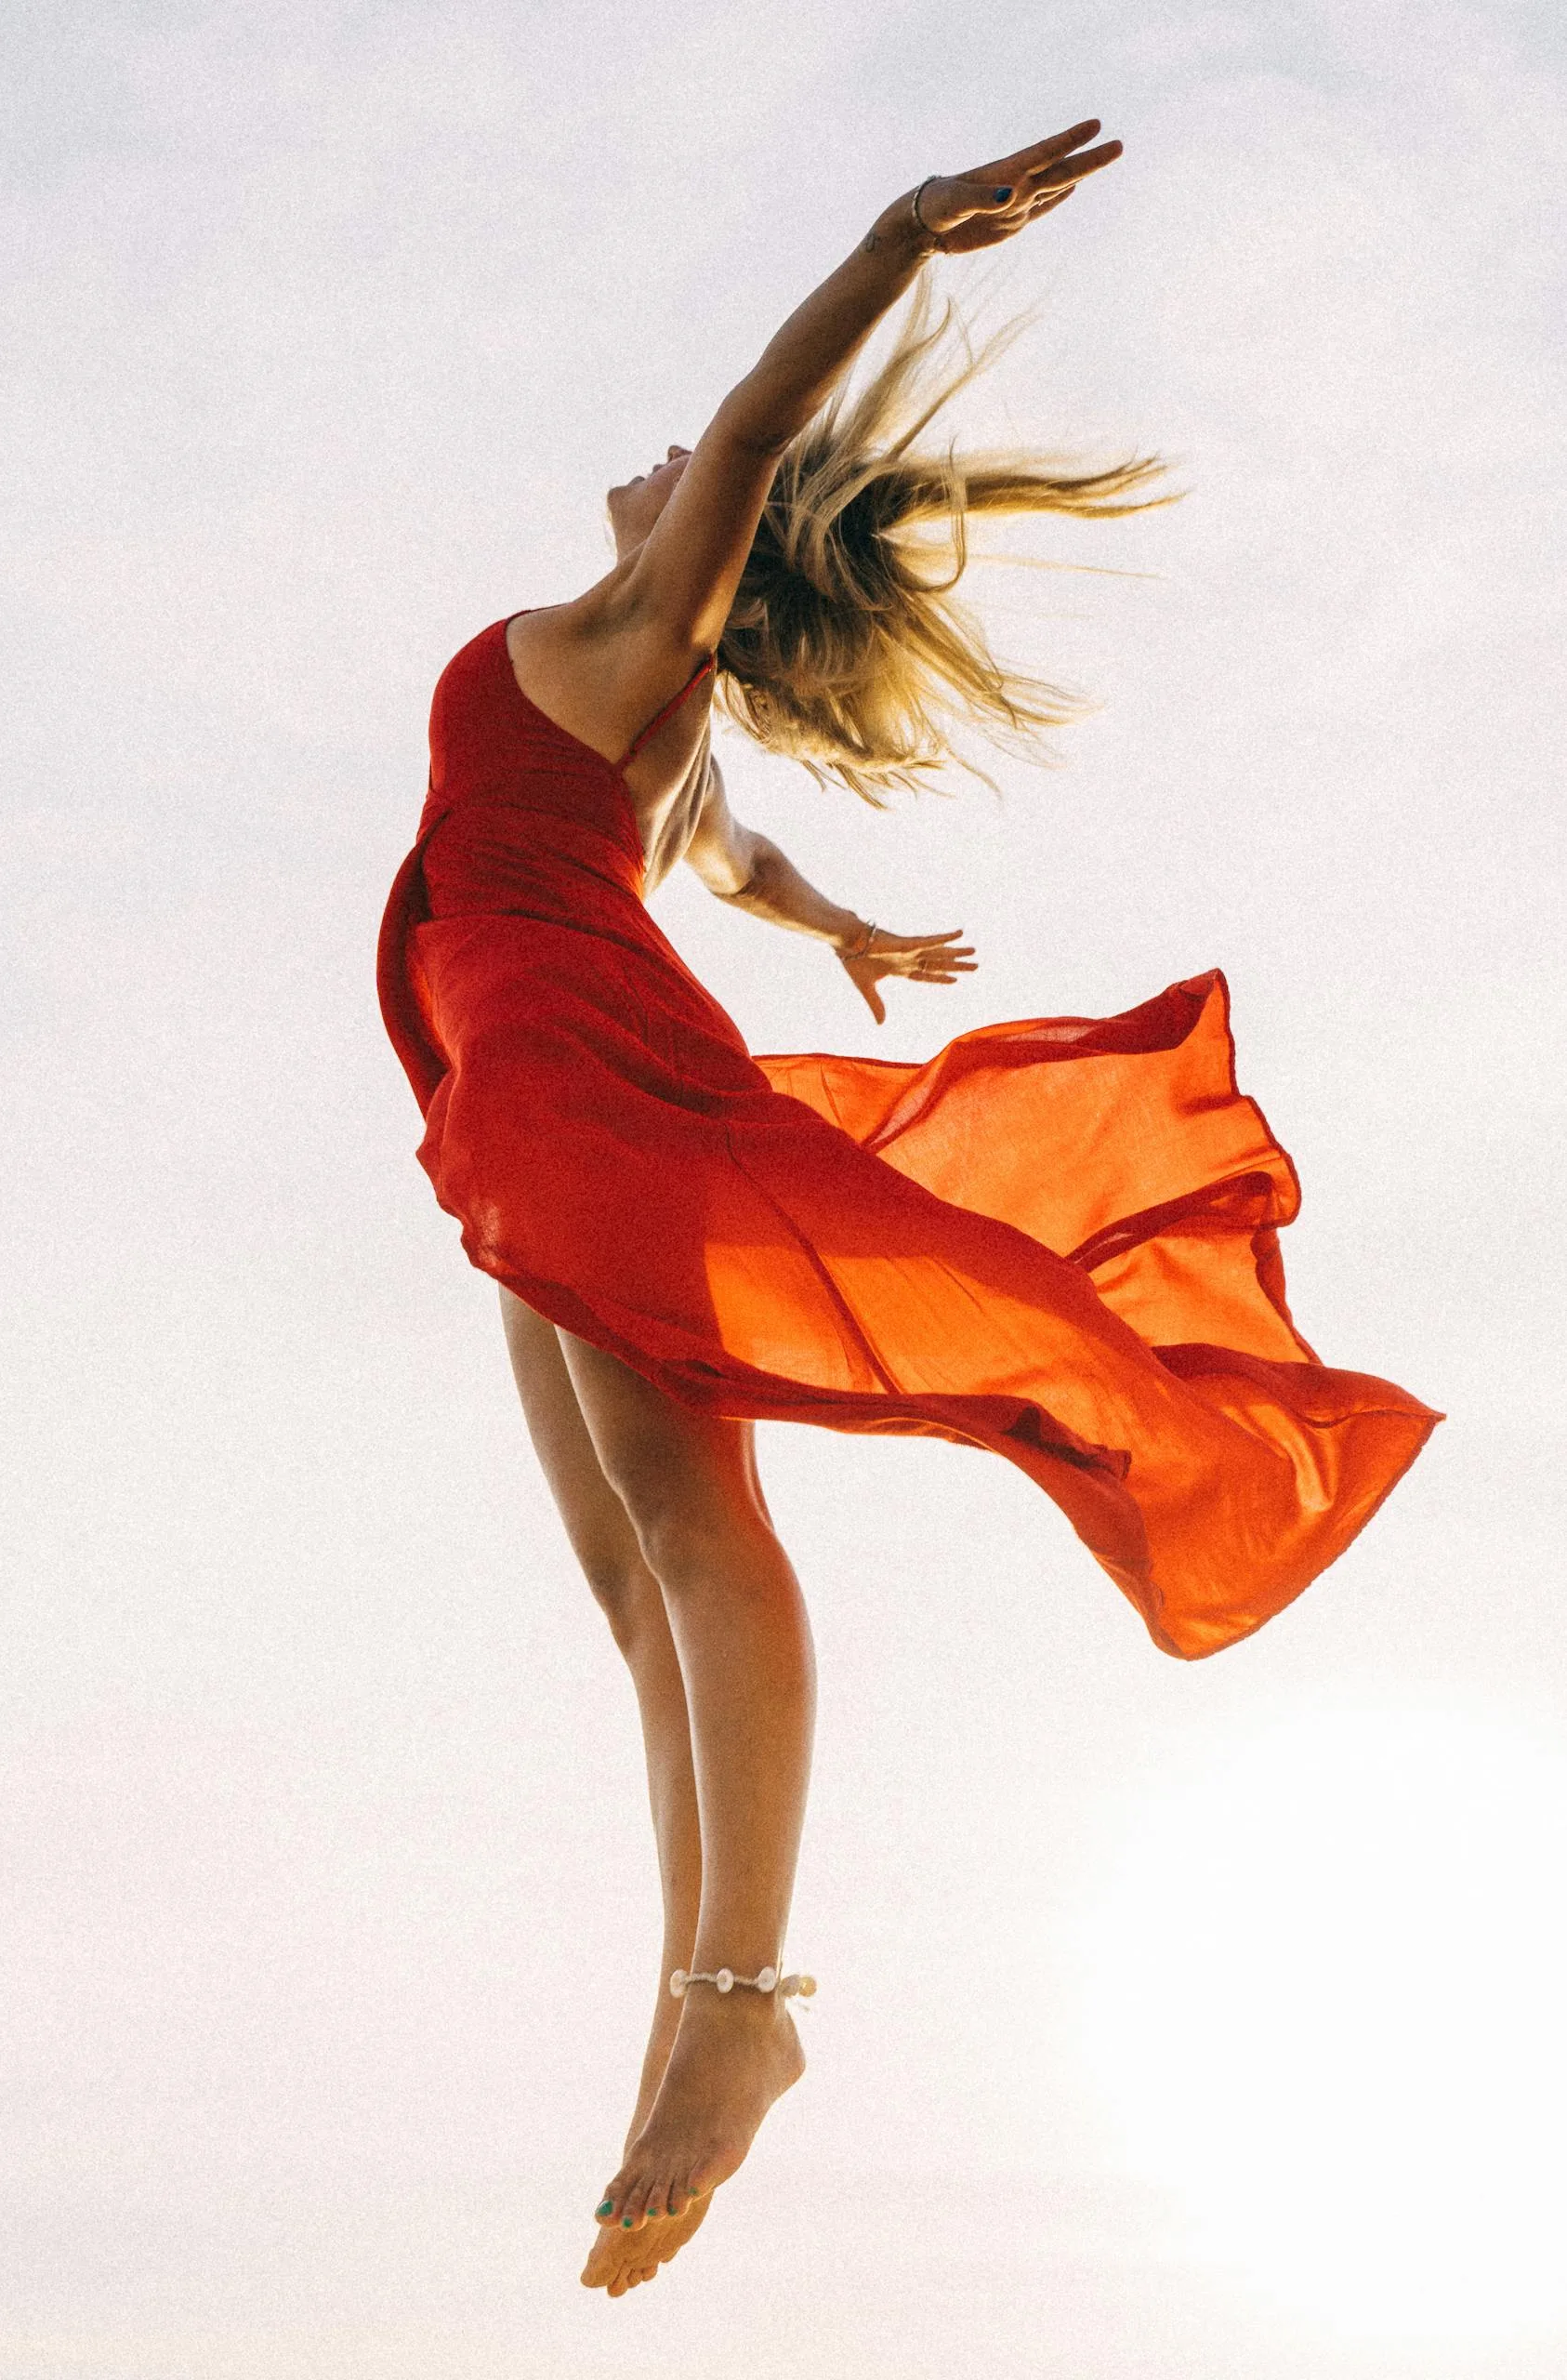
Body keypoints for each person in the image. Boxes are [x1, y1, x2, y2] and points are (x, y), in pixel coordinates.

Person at [377, 124, 1439, 2298]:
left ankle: (741, 2015)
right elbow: (728, 858)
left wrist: (886, 250)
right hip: (520, 1082)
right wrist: (838, 919)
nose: (671, 460)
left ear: (712, 542)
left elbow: (759, 429)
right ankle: (690, 2002)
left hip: (582, 1081)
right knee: (618, 1575)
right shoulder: (656, 725)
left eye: (695, 480)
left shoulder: (623, 624)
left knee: (686, 1529)